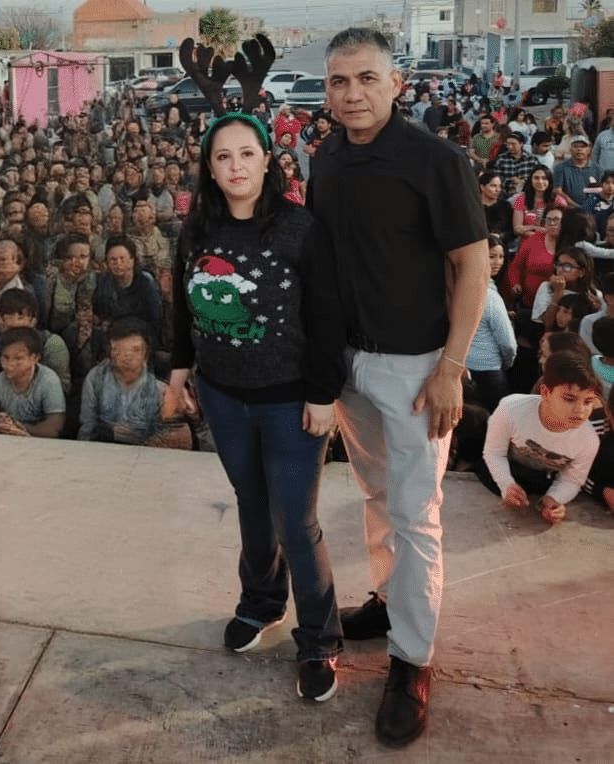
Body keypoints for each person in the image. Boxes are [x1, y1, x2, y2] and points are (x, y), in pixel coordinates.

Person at [306, 28, 489, 746]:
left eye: (366, 78)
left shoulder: (436, 160)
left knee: (417, 514)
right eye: (338, 81)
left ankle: (412, 660)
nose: (352, 93)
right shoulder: (326, 158)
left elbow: (473, 267)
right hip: (349, 364)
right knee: (378, 495)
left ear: (396, 84)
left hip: (416, 369)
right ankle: (389, 600)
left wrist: (450, 367)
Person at [166, 57, 345, 701]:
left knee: (296, 521)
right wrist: (179, 371)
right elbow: (182, 307)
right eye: (223, 157)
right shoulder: (196, 229)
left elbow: (328, 320)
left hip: (290, 403)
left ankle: (319, 640)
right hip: (223, 397)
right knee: (251, 506)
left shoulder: (300, 230)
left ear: (268, 160)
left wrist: (323, 394)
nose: (236, 166)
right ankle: (262, 604)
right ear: (209, 168)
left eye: (247, 153)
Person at [478, 350, 600, 525]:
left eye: (588, 401)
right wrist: (506, 485)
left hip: (544, 481)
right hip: (503, 469)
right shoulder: (511, 409)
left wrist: (554, 499)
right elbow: (494, 453)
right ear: (545, 392)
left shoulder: (589, 440)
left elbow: (572, 479)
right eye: (569, 399)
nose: (580, 410)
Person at [79, 317, 188, 448]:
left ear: (146, 353)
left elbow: (174, 437)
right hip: (102, 449)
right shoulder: (96, 378)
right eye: (120, 350)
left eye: (135, 350)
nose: (128, 357)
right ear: (111, 352)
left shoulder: (161, 389)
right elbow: (87, 425)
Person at [0, 326, 65, 438]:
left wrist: (18, 428)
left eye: (18, 358)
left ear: (35, 358)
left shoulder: (48, 381)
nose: (10, 364)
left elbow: (55, 429)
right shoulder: (1, 380)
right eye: (5, 357)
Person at [466, 235, 517, 411]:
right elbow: (508, 344)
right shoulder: (490, 297)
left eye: (501, 257)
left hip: (466, 367)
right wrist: (507, 363)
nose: (498, 262)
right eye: (492, 256)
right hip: (489, 371)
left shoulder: (461, 289)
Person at [512, 166, 568, 240]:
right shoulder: (521, 199)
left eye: (544, 178)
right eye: (536, 178)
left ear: (549, 181)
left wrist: (529, 230)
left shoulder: (558, 200)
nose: (540, 181)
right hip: (528, 240)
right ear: (530, 180)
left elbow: (564, 228)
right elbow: (517, 229)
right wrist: (535, 229)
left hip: (552, 241)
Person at [553, 135, 602, 207]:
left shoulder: (597, 169)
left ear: (589, 149)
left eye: (583, 146)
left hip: (592, 209)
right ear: (570, 149)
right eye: (575, 146)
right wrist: (576, 206)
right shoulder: (561, 167)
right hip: (569, 209)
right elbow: (557, 190)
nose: (579, 149)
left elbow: (602, 190)